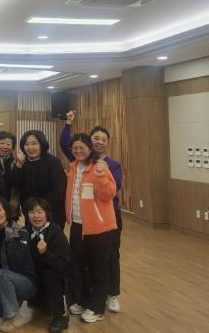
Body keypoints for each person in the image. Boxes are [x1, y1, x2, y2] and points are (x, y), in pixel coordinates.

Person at [60, 111, 123, 313]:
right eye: (96, 138)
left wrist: (101, 174)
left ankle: (107, 299)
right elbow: (65, 143)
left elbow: (110, 192)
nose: (99, 142)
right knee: (80, 263)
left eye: (103, 139)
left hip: (103, 221)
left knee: (105, 262)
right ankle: (84, 300)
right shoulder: (74, 166)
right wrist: (68, 124)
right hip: (79, 223)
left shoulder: (105, 165)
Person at [0, 196, 38, 332]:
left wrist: (11, 246)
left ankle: (11, 317)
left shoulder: (18, 232)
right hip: (7, 280)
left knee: (0, 273)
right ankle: (13, 302)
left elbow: (19, 265)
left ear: (6, 211)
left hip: (26, 282)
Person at [25, 197, 77, 333]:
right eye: (31, 212)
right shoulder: (25, 232)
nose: (36, 216)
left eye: (39, 211)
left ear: (47, 214)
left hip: (59, 277)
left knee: (50, 273)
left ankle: (61, 315)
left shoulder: (55, 232)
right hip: (36, 275)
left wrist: (46, 253)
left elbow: (63, 266)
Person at [10, 130, 67, 228]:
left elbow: (59, 190)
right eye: (26, 144)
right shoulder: (22, 162)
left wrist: (40, 207)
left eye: (34, 143)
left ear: (42, 144)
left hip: (52, 213)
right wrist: (18, 166)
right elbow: (16, 185)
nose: (30, 147)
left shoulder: (53, 162)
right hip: (31, 213)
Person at [0, 131, 18, 208]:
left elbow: (17, 185)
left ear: (13, 147)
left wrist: (14, 201)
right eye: (2, 143)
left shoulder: (16, 162)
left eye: (8, 144)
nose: (5, 147)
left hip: (9, 202)